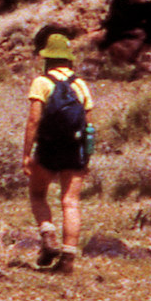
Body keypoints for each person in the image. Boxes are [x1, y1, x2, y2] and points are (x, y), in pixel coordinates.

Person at [23, 31, 94, 275]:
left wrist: (26, 154)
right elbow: (90, 125)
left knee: (37, 194)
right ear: (68, 58)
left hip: (48, 147)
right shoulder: (80, 84)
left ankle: (48, 234)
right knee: (70, 202)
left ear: (47, 58)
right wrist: (87, 157)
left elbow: (33, 120)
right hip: (74, 149)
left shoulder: (41, 82)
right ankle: (68, 261)